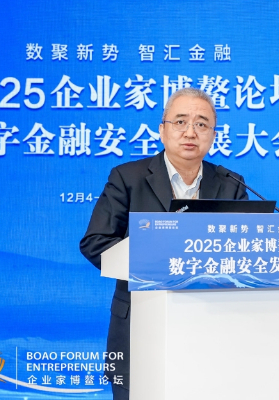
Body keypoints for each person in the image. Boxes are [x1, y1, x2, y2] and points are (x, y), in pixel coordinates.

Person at [79, 87, 248, 400]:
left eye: (201, 124)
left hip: (211, 329)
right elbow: (96, 242)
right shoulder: (127, 178)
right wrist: (157, 262)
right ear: (162, 129)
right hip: (140, 326)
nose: (190, 132)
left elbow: (245, 251)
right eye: (180, 121)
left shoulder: (231, 183)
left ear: (213, 135)